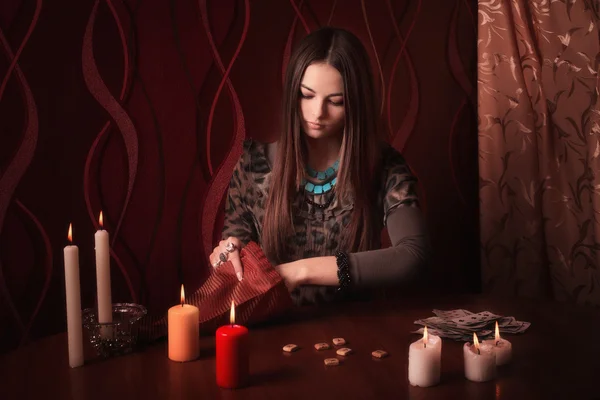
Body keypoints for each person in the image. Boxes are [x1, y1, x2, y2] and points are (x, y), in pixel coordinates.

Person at [210, 27, 430, 305]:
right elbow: (236, 264)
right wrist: (227, 256)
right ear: (293, 93)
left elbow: (413, 256)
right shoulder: (255, 166)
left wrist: (300, 271)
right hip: (276, 330)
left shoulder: (384, 165)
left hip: (358, 331)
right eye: (307, 95)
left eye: (336, 101)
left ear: (355, 103)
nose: (318, 113)